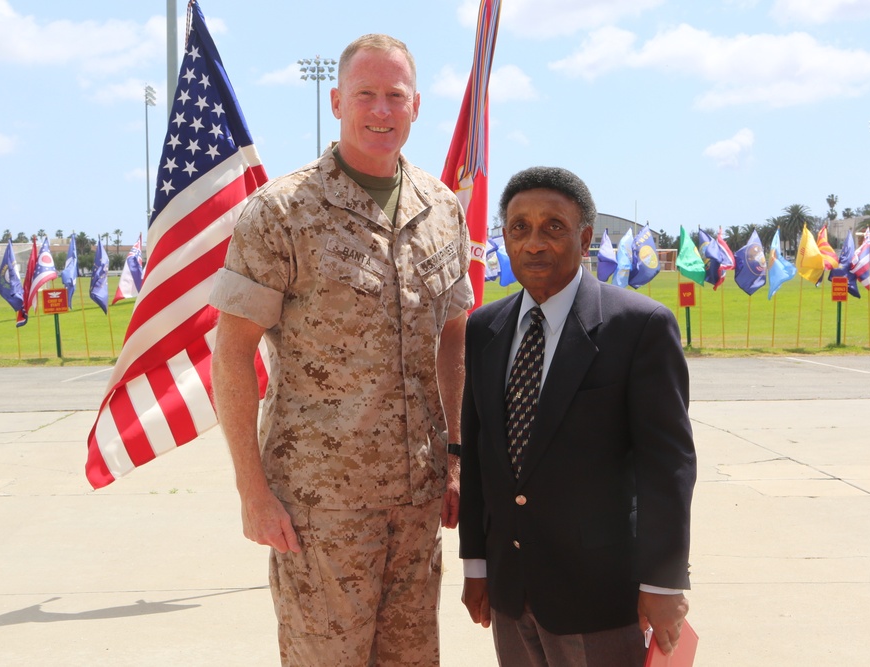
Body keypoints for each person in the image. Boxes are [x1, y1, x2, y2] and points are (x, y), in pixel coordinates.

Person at [209, 34, 472, 666]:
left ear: (415, 106)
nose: (381, 110)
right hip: (319, 507)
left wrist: (457, 455)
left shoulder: (441, 210)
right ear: (336, 101)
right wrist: (252, 490)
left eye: (394, 96)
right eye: (365, 95)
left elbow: (456, 335)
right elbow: (231, 353)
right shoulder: (282, 212)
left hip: (416, 497)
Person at [458, 166, 696, 666]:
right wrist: (476, 564)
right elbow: (480, 457)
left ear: (585, 237)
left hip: (601, 596)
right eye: (519, 228)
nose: (534, 243)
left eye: (553, 227)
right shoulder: (484, 328)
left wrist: (663, 580)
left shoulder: (640, 327)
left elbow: (667, 467)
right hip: (511, 590)